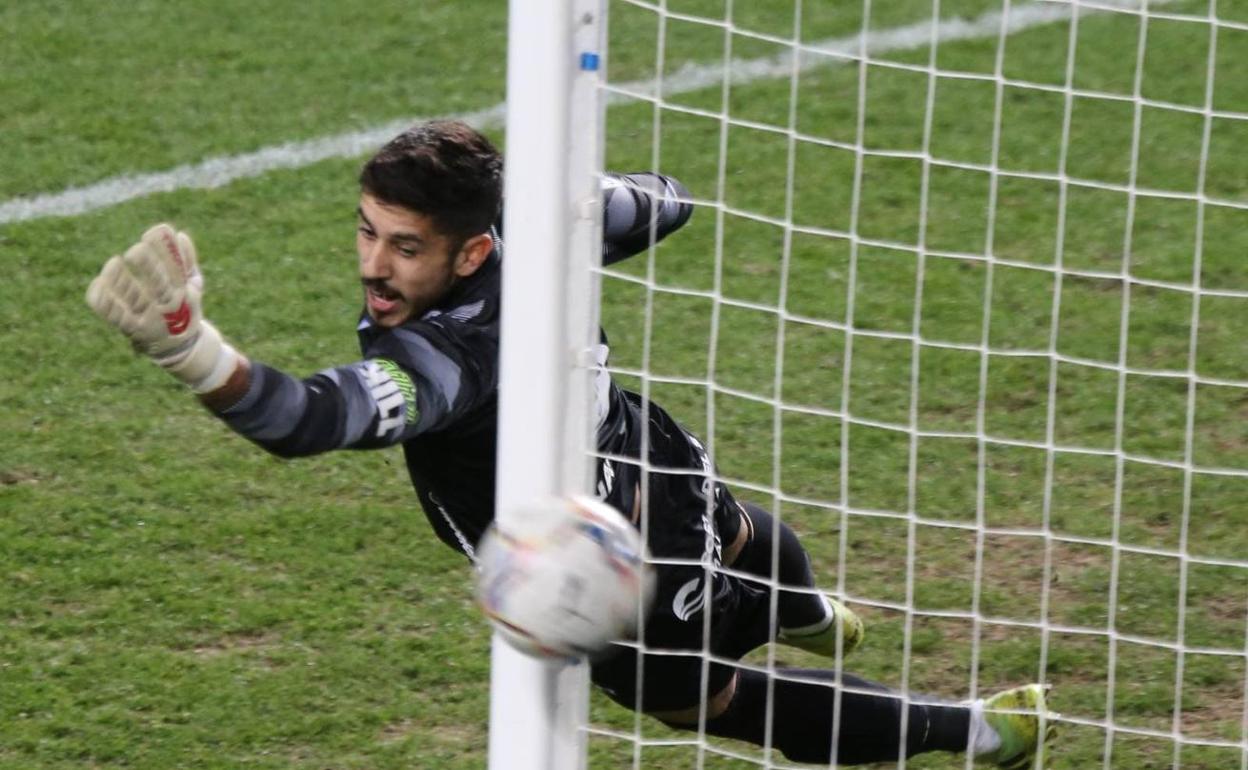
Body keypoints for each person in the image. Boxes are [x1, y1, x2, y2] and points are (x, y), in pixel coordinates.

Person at [85, 119, 1053, 767]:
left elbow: (307, 420)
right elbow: (669, 200)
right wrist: (573, 200)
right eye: (367, 232)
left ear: (470, 251)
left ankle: (983, 732)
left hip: (608, 559)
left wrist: (191, 350)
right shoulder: (538, 231)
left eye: (405, 246)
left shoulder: (449, 358)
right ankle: (813, 614)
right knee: (748, 535)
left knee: (705, 703)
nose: (375, 266)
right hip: (655, 453)